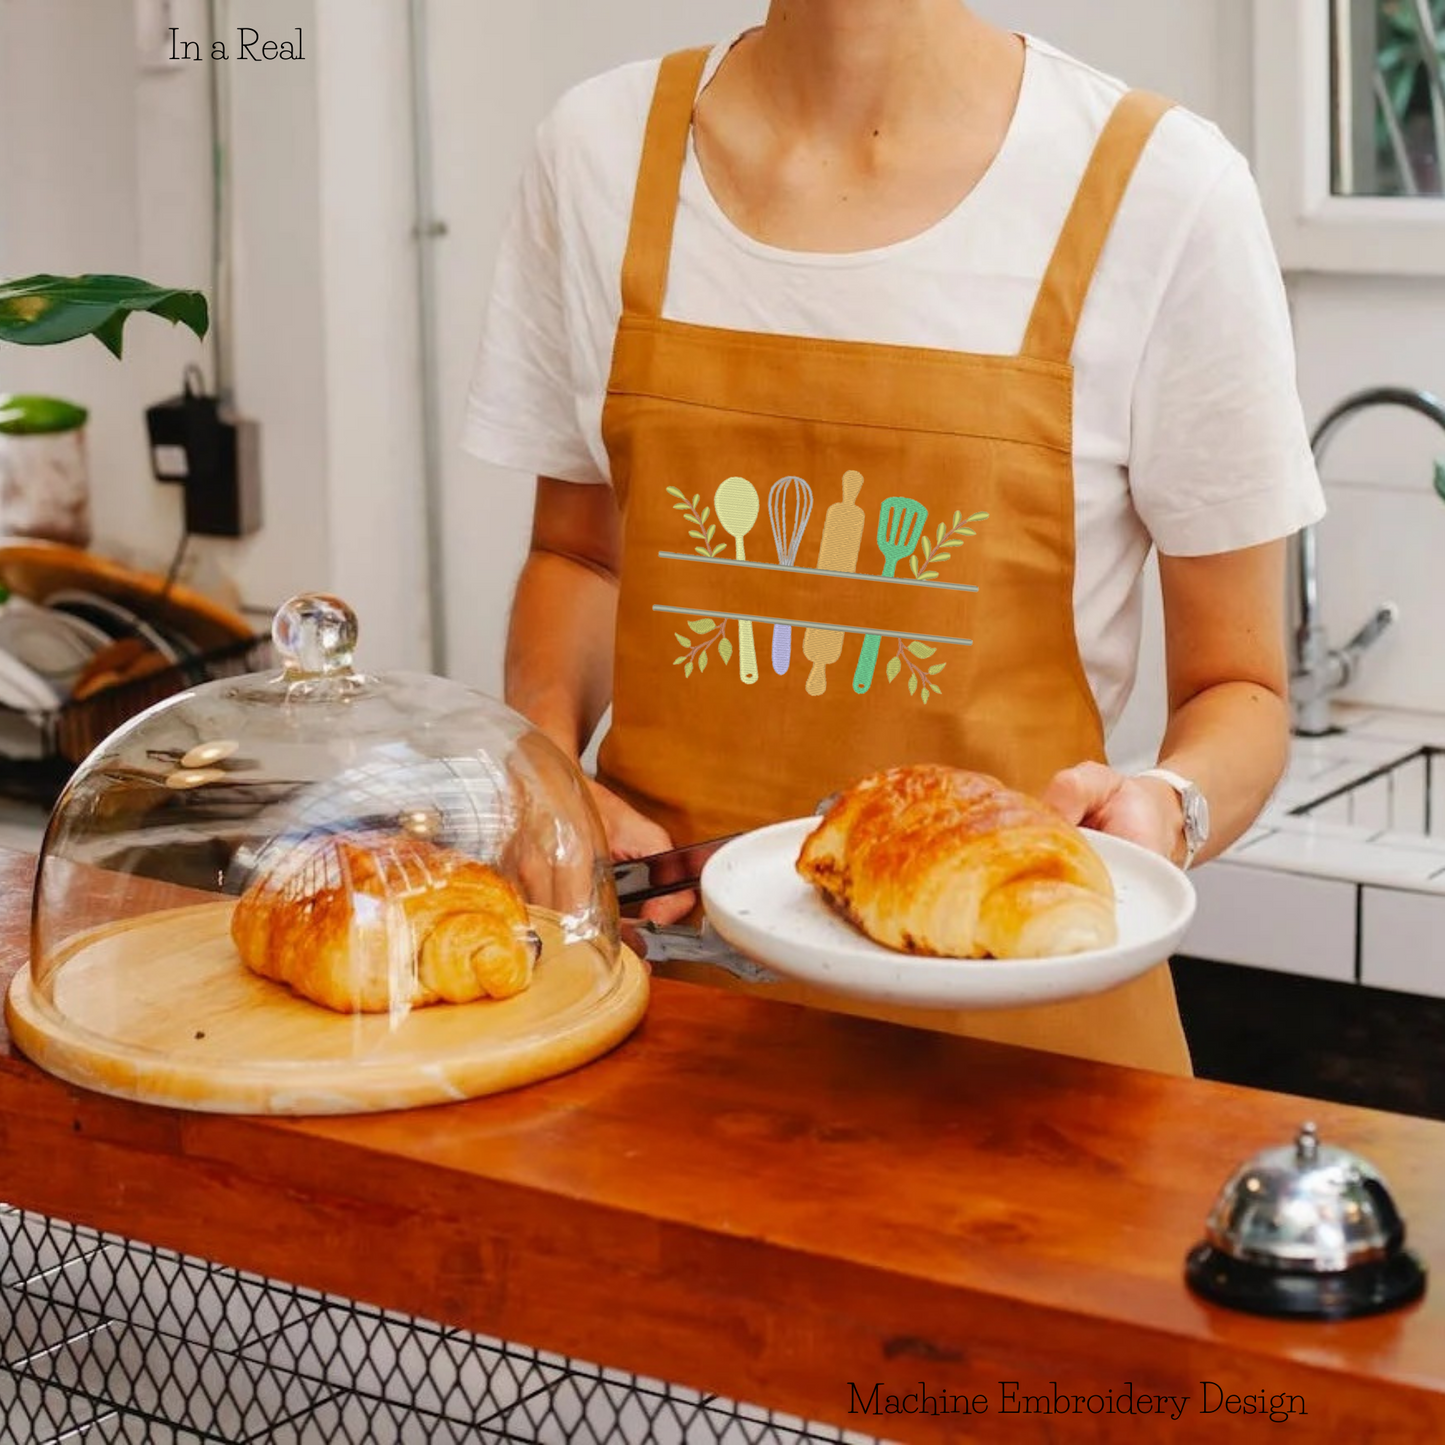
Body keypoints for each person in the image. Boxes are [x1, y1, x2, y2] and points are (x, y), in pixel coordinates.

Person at [463, 0, 1325, 1075]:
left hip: (1025, 1059)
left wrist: (1167, 804)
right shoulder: (597, 154)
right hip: (669, 1034)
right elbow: (580, 554)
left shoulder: (1162, 190)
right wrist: (546, 773)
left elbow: (1237, 688)